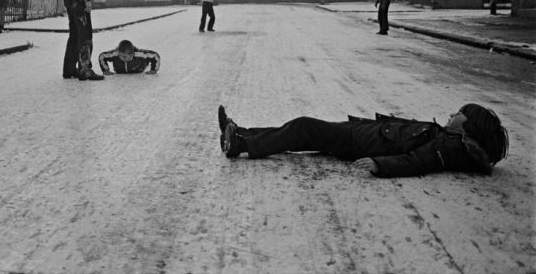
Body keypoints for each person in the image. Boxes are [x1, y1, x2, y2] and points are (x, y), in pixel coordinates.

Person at [217, 103, 508, 178]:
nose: (452, 115)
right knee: (300, 128)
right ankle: (239, 133)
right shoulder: (450, 140)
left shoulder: (449, 148)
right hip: (363, 134)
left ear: (466, 129)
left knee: (303, 127)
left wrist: (380, 165)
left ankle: (241, 143)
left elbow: (417, 161)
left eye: (458, 115)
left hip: (360, 143)